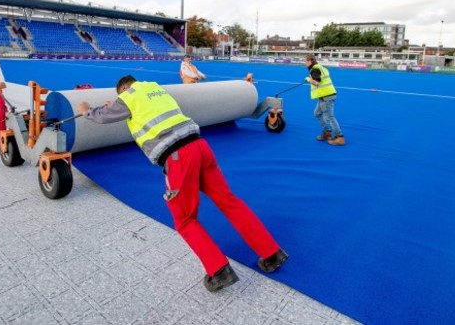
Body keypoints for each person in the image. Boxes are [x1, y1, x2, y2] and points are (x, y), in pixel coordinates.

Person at [76, 75, 288, 292]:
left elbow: (102, 117)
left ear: (122, 89)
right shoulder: (154, 89)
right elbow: (139, 109)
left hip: (179, 158)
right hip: (200, 147)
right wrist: (118, 105)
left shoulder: (128, 97)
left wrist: (86, 109)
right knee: (229, 201)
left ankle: (219, 270)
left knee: (185, 219)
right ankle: (272, 253)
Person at [304, 55, 345, 145]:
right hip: (325, 96)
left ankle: (340, 137)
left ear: (310, 61)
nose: (304, 63)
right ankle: (327, 132)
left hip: (326, 96)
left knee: (330, 117)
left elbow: (316, 82)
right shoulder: (322, 68)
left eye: (305, 61)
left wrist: (308, 79)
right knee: (317, 114)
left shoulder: (315, 69)